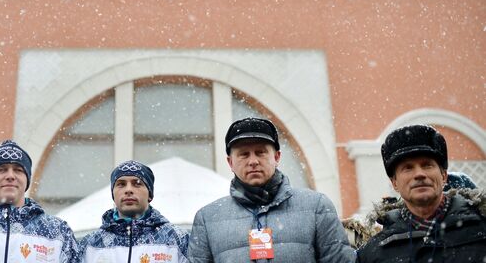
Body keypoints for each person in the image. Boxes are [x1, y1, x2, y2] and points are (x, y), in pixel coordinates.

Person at [188, 117, 355, 262]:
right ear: (230, 162)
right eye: (244, 154)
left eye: (260, 152)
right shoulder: (207, 219)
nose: (253, 161)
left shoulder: (317, 207)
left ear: (276, 157)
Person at [357, 125, 486, 262]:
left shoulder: (481, 227)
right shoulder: (373, 253)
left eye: (427, 165)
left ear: (443, 176)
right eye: (408, 168)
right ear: (394, 183)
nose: (419, 174)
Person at [79, 160, 189, 263]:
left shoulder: (177, 239)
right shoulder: (90, 244)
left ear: (149, 194)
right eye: (121, 184)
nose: (128, 190)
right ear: (113, 194)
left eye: (137, 183)